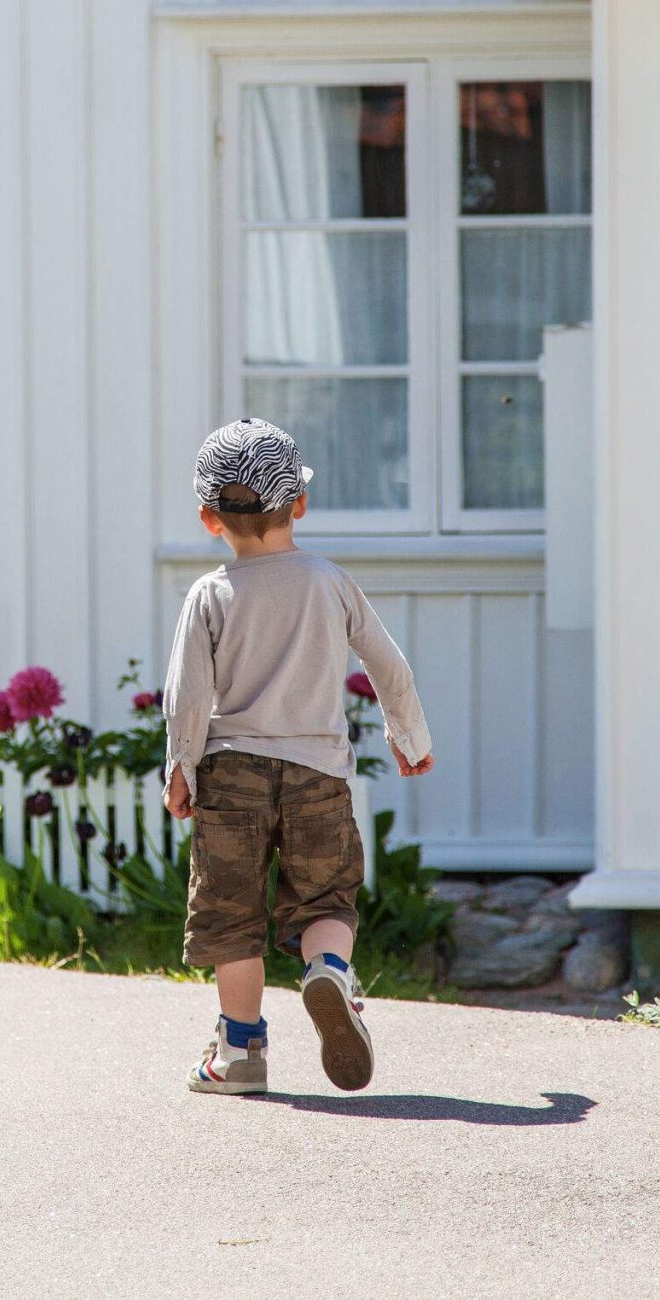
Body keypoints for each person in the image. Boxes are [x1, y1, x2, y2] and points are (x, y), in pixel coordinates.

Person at [164, 418, 434, 1095]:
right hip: (318, 773)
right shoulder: (329, 581)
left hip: (232, 777)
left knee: (230, 918)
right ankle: (330, 972)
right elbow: (388, 665)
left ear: (207, 518)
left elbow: (188, 697)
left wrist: (181, 766)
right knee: (325, 898)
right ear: (301, 505)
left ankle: (240, 1053)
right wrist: (410, 737)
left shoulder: (210, 594)